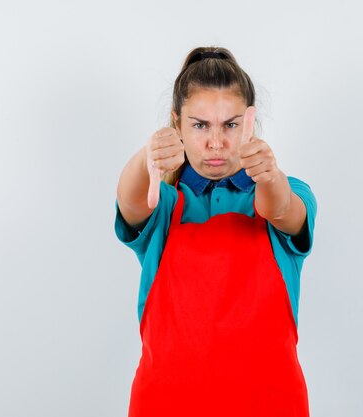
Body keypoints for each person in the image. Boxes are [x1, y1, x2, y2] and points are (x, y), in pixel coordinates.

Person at [114, 46, 317, 417]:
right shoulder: (165, 203)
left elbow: (281, 209)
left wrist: (269, 176)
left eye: (231, 124)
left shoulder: (288, 191)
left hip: (271, 405)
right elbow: (129, 202)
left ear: (250, 122)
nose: (216, 143)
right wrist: (147, 160)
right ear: (176, 124)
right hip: (165, 405)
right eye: (200, 124)